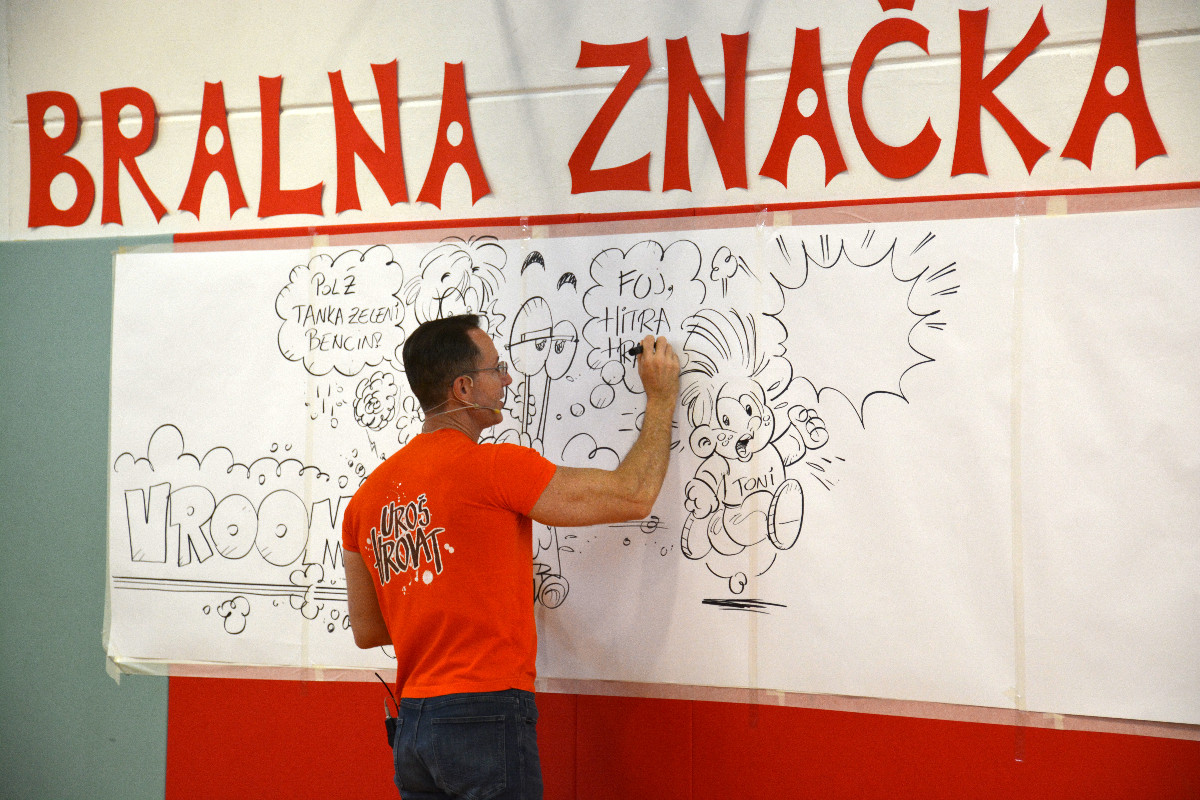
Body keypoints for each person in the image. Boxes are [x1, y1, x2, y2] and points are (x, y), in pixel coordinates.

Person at [342, 313, 680, 800]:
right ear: (463, 388)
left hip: (413, 725)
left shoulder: (365, 501)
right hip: (483, 713)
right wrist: (662, 397)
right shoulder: (496, 468)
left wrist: (446, 598)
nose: (507, 380)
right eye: (496, 369)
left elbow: (368, 630)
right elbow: (634, 494)